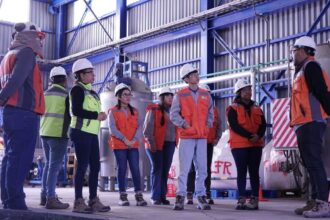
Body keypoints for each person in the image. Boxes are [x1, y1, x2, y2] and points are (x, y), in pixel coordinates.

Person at [0, 22, 45, 210]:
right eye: (36, 37)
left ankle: (7, 198)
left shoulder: (7, 57)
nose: (38, 41)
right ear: (26, 36)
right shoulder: (26, 52)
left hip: (10, 113)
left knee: (10, 157)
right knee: (20, 158)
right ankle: (16, 202)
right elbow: (16, 80)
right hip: (23, 113)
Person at [290, 36, 330, 218]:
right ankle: (313, 201)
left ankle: (323, 203)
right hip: (303, 124)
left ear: (304, 50)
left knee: (314, 163)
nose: (293, 54)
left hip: (312, 122)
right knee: (309, 164)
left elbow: (322, 92)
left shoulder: (311, 67)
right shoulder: (300, 70)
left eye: (295, 50)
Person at [170, 64, 214, 211]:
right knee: (184, 169)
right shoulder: (180, 95)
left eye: (196, 73)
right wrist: (184, 125)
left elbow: (210, 113)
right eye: (193, 74)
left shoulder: (206, 94)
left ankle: (201, 196)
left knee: (202, 169)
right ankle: (181, 196)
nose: (197, 75)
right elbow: (173, 115)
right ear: (187, 78)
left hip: (201, 137)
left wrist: (207, 127)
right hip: (187, 136)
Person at [70, 58, 110, 214]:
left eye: (93, 72)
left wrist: (100, 116)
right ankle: (78, 201)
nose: (93, 75)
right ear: (80, 75)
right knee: (82, 167)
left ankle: (93, 199)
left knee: (95, 166)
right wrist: (96, 116)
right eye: (90, 72)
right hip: (80, 132)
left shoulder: (93, 93)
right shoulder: (77, 90)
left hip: (92, 134)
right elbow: (76, 111)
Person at [226, 79, 266, 210]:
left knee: (254, 172)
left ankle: (254, 199)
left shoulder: (257, 108)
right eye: (245, 90)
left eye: (249, 89)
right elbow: (234, 126)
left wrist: (258, 136)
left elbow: (263, 125)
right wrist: (250, 136)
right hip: (239, 145)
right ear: (239, 92)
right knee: (241, 171)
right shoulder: (232, 109)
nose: (249, 92)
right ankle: (241, 199)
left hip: (256, 144)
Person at [108, 83, 147, 207]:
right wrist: (125, 139)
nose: (128, 96)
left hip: (133, 145)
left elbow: (140, 126)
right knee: (122, 169)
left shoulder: (135, 111)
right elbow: (112, 129)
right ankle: (122, 196)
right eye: (125, 94)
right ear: (119, 96)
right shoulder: (113, 111)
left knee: (135, 169)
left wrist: (134, 139)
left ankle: (139, 195)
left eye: (129, 94)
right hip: (120, 145)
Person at [39, 66, 70, 209]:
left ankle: (44, 195)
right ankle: (51, 198)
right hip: (58, 134)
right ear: (64, 79)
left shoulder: (45, 93)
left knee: (47, 165)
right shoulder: (66, 94)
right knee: (54, 167)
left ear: (52, 80)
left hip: (44, 132)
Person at [186, 84, 222, 205]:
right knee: (191, 169)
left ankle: (206, 193)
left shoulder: (214, 110)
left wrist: (217, 137)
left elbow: (219, 126)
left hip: (208, 143)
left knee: (206, 169)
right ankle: (189, 194)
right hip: (193, 142)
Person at [143, 87, 176, 205]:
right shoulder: (154, 110)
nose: (170, 98)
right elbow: (147, 130)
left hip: (170, 144)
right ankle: (155, 196)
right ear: (162, 98)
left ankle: (162, 196)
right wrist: (151, 143)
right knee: (157, 169)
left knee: (165, 170)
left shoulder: (173, 112)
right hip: (155, 144)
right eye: (168, 96)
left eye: (172, 96)